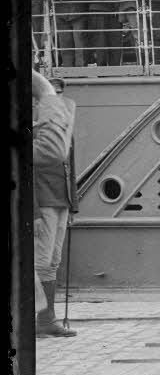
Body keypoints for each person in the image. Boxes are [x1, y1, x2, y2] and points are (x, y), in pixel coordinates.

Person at [33, 71, 78, 337]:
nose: (57, 99)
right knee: (40, 262)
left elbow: (70, 168)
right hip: (43, 202)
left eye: (60, 94)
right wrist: (33, 212)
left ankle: (47, 320)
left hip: (60, 201)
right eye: (53, 94)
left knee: (53, 262)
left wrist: (73, 205)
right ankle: (40, 319)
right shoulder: (36, 129)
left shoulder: (60, 128)